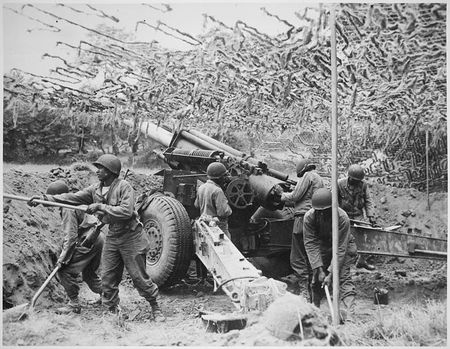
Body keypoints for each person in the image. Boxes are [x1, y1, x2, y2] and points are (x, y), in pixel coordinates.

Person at [29, 154, 164, 321]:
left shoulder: (124, 186)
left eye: (101, 168)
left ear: (111, 171)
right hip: (113, 236)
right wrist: (46, 199)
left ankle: (155, 307)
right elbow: (73, 197)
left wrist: (100, 207)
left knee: (138, 277)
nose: (97, 171)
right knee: (108, 277)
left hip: (132, 236)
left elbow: (126, 211)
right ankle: (111, 311)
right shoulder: (95, 189)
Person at [46, 180, 104, 314]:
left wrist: (63, 258)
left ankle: (74, 304)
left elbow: (71, 237)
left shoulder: (67, 208)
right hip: (97, 238)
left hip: (88, 240)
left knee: (64, 270)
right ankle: (108, 295)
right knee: (89, 273)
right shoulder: (73, 202)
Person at [303, 188, 357, 322]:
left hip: (342, 245)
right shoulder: (309, 217)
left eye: (325, 211)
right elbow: (311, 244)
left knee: (343, 277)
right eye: (319, 212)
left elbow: (340, 248)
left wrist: (331, 273)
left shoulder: (342, 218)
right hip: (322, 245)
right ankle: (314, 312)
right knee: (316, 279)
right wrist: (320, 270)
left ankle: (349, 315)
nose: (322, 214)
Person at [278, 158, 324, 302]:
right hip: (316, 218)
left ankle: (305, 291)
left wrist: (281, 194)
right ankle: (315, 291)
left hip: (302, 219)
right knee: (312, 255)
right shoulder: (318, 178)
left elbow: (296, 196)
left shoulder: (308, 176)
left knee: (298, 257)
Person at [337, 164, 376, 271]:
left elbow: (368, 200)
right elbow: (333, 200)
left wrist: (371, 216)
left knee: (368, 235)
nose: (357, 182)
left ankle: (362, 261)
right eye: (355, 180)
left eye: (359, 180)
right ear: (349, 177)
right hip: (344, 215)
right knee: (342, 238)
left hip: (358, 215)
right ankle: (341, 263)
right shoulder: (339, 184)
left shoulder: (363, 185)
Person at [194, 162, 232, 238]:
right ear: (219, 178)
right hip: (218, 227)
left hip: (205, 224)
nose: (225, 178)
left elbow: (196, 205)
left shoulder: (201, 187)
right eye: (224, 176)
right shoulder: (217, 191)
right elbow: (223, 212)